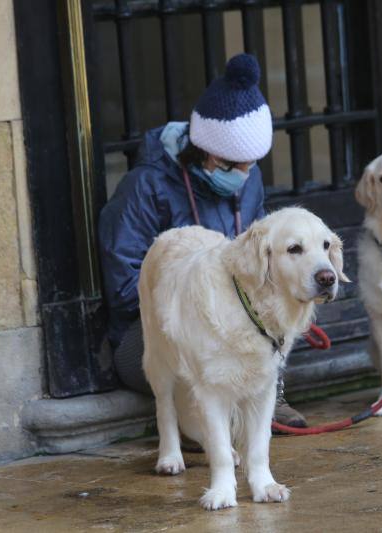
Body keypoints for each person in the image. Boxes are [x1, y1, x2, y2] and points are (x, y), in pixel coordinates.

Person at [98, 53, 308, 431]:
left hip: (231, 317)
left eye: (252, 164)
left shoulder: (248, 176)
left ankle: (267, 399)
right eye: (236, 164)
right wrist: (199, 298)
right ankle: (200, 421)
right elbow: (124, 288)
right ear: (209, 153)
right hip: (151, 326)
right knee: (198, 371)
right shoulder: (146, 187)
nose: (246, 174)